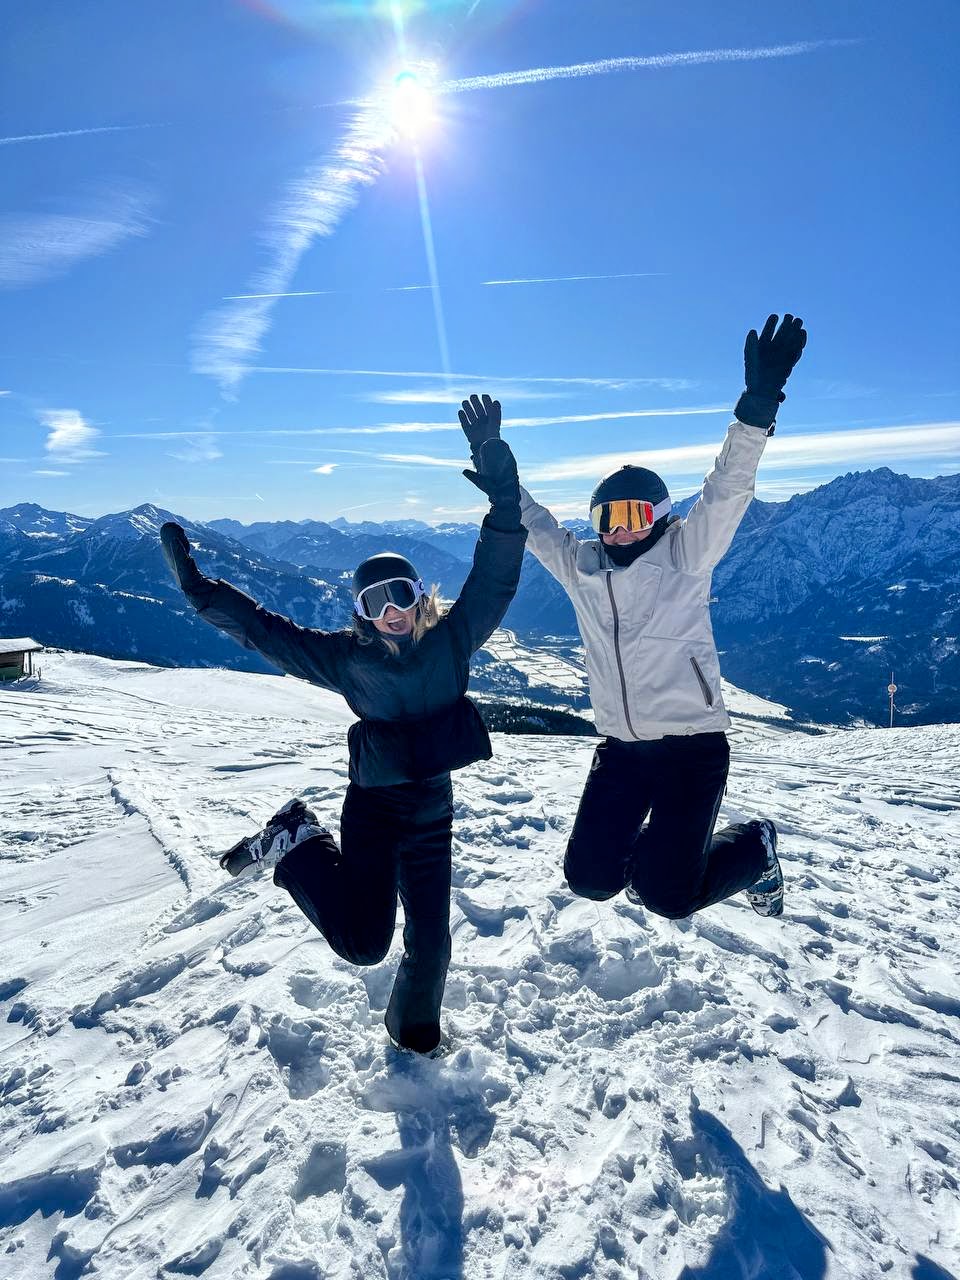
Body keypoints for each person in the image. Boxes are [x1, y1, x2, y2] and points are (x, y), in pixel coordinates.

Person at [160, 395, 526, 1056]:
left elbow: (495, 579)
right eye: (373, 601)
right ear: (361, 611)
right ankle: (296, 841)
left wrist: (504, 499)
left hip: (431, 814)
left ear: (420, 598)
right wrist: (200, 593)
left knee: (433, 944)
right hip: (374, 812)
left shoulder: (453, 640)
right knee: (365, 944)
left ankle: (411, 1038)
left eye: (401, 595)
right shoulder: (344, 661)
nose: (390, 611)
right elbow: (266, 633)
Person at [504, 315, 808, 921]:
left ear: (662, 516)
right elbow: (535, 527)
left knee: (667, 894)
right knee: (589, 878)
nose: (620, 530)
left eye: (635, 516)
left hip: (693, 750)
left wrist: (756, 408)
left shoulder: (686, 556)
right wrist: (499, 475)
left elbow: (727, 489)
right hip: (621, 751)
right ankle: (663, 858)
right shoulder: (581, 568)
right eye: (607, 518)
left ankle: (755, 848)